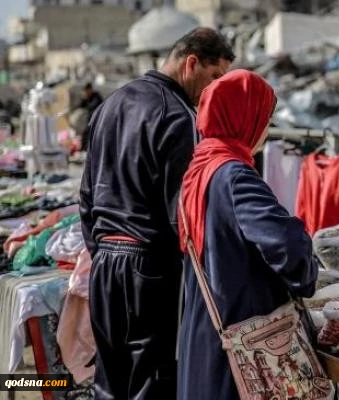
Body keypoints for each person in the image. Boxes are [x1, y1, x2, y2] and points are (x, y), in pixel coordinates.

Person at [79, 28, 234, 400]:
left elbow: (86, 197)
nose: (214, 89)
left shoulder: (111, 104)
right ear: (191, 63)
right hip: (149, 269)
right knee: (151, 383)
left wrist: (102, 253)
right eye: (214, 76)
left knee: (108, 380)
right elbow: (183, 217)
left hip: (105, 265)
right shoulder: (179, 116)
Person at [176, 70, 317, 399]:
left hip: (206, 330)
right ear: (244, 117)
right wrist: (306, 274)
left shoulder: (198, 169)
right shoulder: (233, 175)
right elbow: (285, 242)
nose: (266, 129)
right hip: (243, 339)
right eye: (264, 118)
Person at [76, 83, 103, 150]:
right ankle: (84, 150)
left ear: (90, 90)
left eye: (86, 91)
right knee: (86, 134)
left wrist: (86, 100)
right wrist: (83, 98)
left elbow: (92, 106)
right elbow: (81, 105)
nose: (86, 93)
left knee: (91, 135)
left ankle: (87, 150)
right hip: (91, 121)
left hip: (98, 121)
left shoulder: (96, 96)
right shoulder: (87, 98)